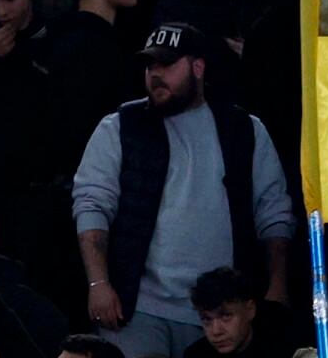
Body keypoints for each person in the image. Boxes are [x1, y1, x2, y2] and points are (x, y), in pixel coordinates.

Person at [75, 22, 294, 358]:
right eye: (150, 65)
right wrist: (98, 283)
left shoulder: (243, 130)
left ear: (198, 67)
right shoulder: (120, 126)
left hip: (220, 310)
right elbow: (91, 206)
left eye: (167, 64)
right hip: (137, 308)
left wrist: (277, 286)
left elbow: (274, 214)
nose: (155, 74)